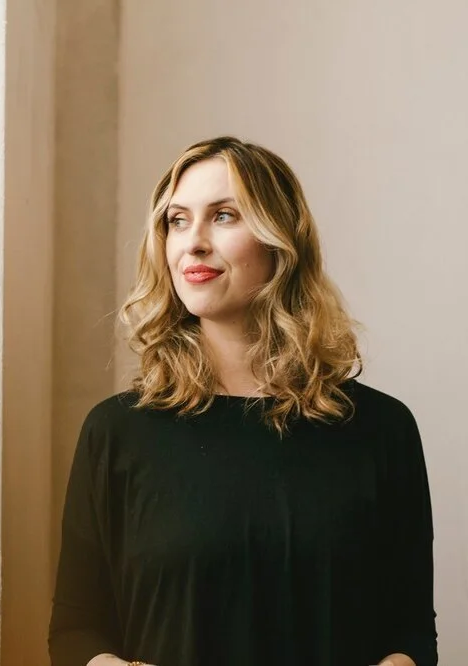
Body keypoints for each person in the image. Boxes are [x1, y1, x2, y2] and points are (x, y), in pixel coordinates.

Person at [48, 136, 437, 666]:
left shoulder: (381, 429)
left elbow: (411, 633)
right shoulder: (116, 431)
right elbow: (76, 630)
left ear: (281, 242)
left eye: (224, 216)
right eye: (177, 221)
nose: (193, 243)